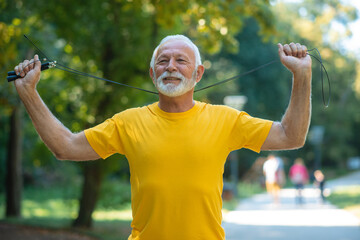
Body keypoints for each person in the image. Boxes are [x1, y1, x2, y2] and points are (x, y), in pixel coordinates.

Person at [12, 35, 312, 240]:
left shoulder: (226, 119)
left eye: (181, 61)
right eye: (163, 61)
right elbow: (65, 147)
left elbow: (291, 136)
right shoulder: (128, 122)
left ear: (198, 74)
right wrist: (29, 93)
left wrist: (302, 75)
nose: (170, 66)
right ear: (153, 74)